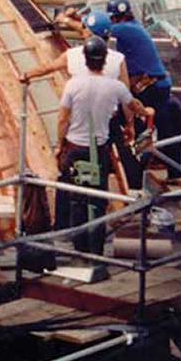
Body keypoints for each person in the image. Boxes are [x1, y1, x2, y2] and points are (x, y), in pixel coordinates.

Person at [54, 36, 148, 255]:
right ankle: (95, 250)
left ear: (85, 59)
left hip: (76, 149)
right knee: (97, 200)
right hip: (100, 151)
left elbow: (62, 119)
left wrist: (59, 145)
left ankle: (78, 249)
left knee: (77, 198)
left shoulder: (73, 85)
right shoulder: (115, 86)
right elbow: (134, 106)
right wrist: (146, 112)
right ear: (105, 60)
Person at [106, 0, 181, 176]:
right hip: (156, 85)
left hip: (151, 86)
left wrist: (70, 21)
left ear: (115, 17)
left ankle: (139, 160)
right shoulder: (132, 28)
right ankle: (169, 167)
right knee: (161, 124)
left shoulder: (123, 29)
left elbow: (97, 29)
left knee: (124, 117)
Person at [21, 11, 129, 87]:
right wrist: (130, 120)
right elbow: (126, 94)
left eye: (83, 27)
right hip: (108, 116)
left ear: (88, 33)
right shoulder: (118, 59)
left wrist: (26, 75)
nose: (81, 29)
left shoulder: (73, 55)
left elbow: (47, 68)